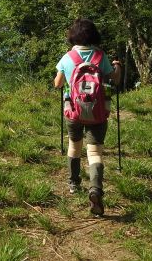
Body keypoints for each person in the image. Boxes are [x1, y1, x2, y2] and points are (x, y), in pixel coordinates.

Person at [54, 18, 122, 216]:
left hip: (74, 112)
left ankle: (74, 183)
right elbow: (114, 80)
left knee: (74, 147)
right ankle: (95, 189)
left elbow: (58, 84)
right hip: (98, 113)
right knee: (95, 153)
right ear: (94, 36)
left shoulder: (68, 57)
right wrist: (118, 67)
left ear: (72, 36)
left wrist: (63, 75)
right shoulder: (101, 57)